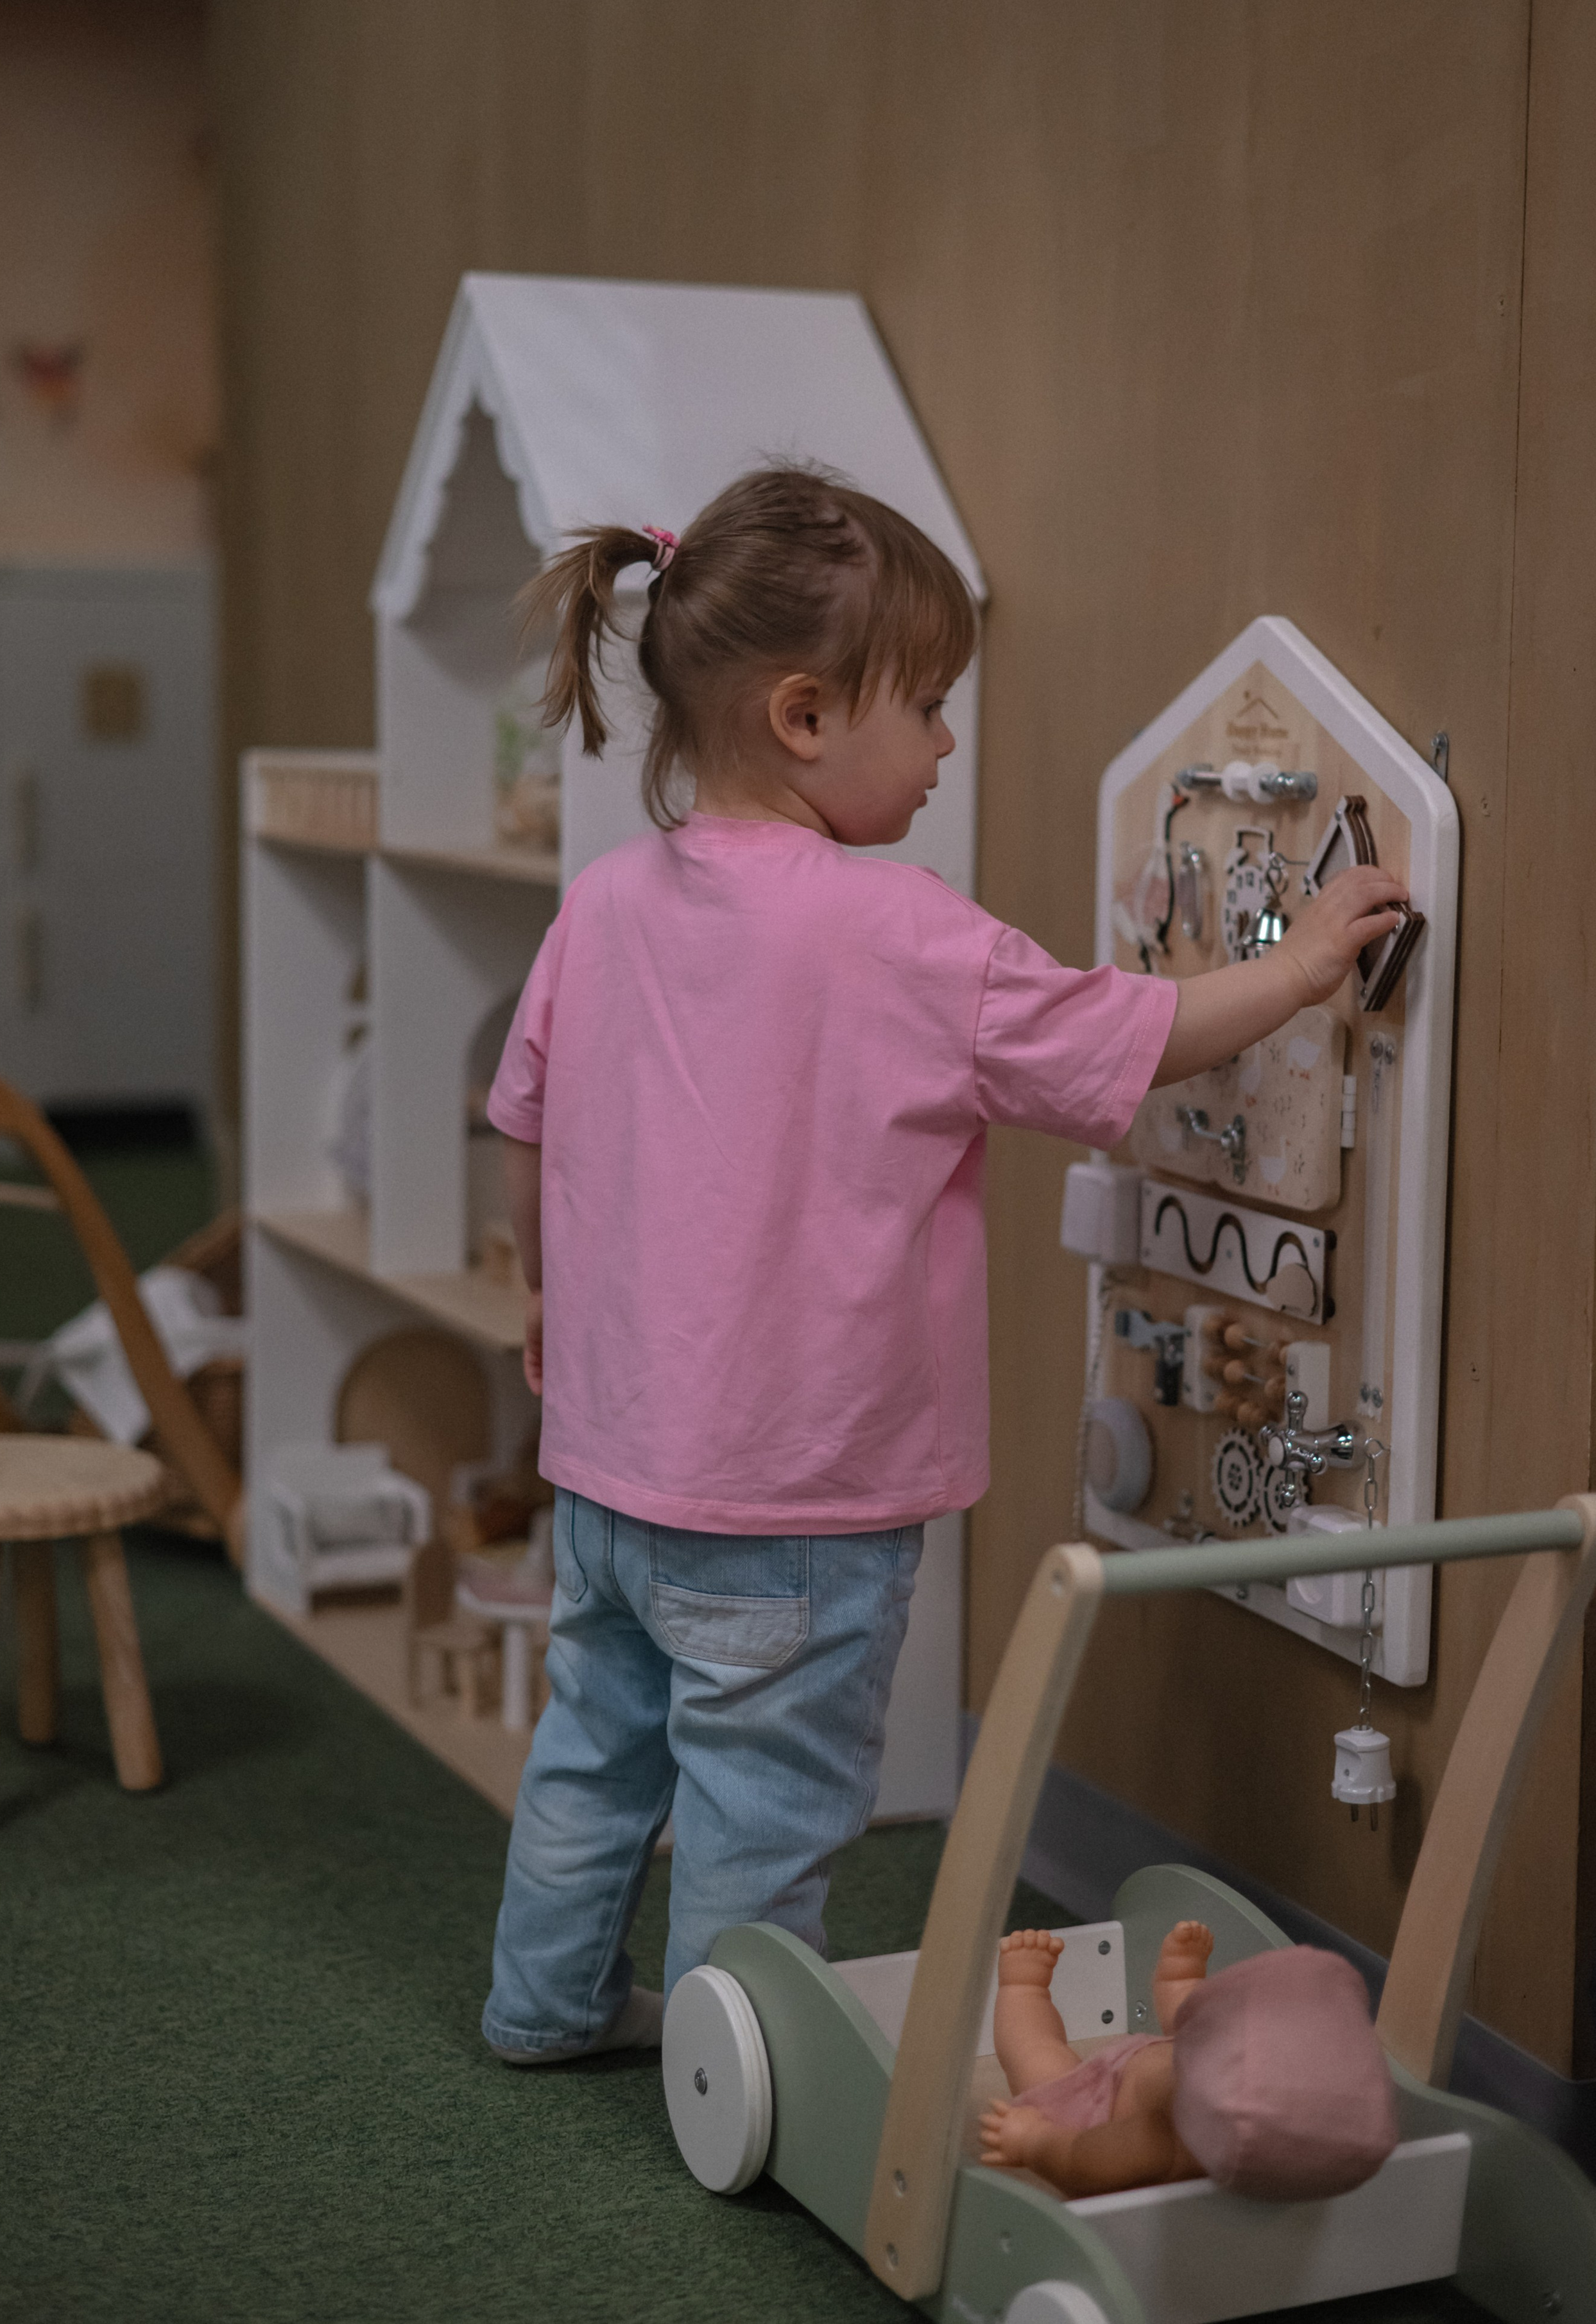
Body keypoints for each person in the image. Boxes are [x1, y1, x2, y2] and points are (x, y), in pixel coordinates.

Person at [480, 465, 1405, 2064]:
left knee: (594, 1749)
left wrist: (544, 1296)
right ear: (801, 714)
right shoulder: (897, 930)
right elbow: (1144, 1030)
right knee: (761, 1806)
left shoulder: (603, 902)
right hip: (794, 1494)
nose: (946, 743)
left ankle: (540, 2003)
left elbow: (525, 1121)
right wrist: (1308, 952)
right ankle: (738, 2078)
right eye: (924, 704)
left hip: (613, 1465)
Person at [979, 1926, 1400, 2200]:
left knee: (1037, 2053)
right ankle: (1181, 1985)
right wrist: (1185, 1981)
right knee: (1196, 2031)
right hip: (1173, 2059)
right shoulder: (1241, 2095)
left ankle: (1023, 1989)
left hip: (1097, 2108)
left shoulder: (1154, 2143)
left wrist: (1033, 2140)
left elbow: (1076, 2162)